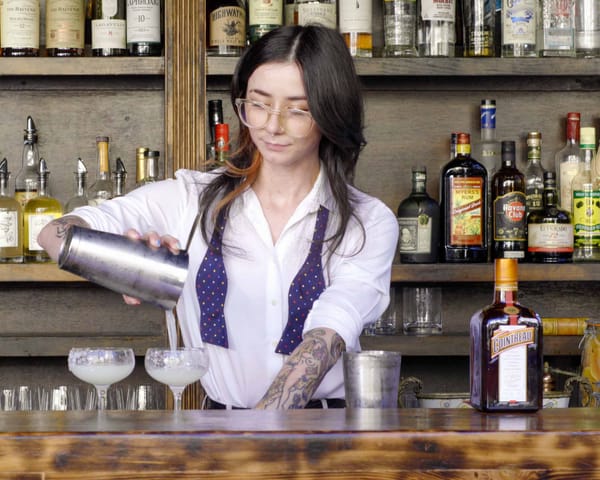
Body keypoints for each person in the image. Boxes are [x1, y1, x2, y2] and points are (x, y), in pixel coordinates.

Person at [38, 25, 399, 410]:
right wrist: (119, 262)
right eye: (258, 104)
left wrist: (256, 436)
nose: (272, 125)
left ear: (330, 113)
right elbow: (52, 235)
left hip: (325, 436)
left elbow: (328, 335)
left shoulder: (367, 222)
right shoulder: (189, 198)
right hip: (223, 426)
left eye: (298, 110)